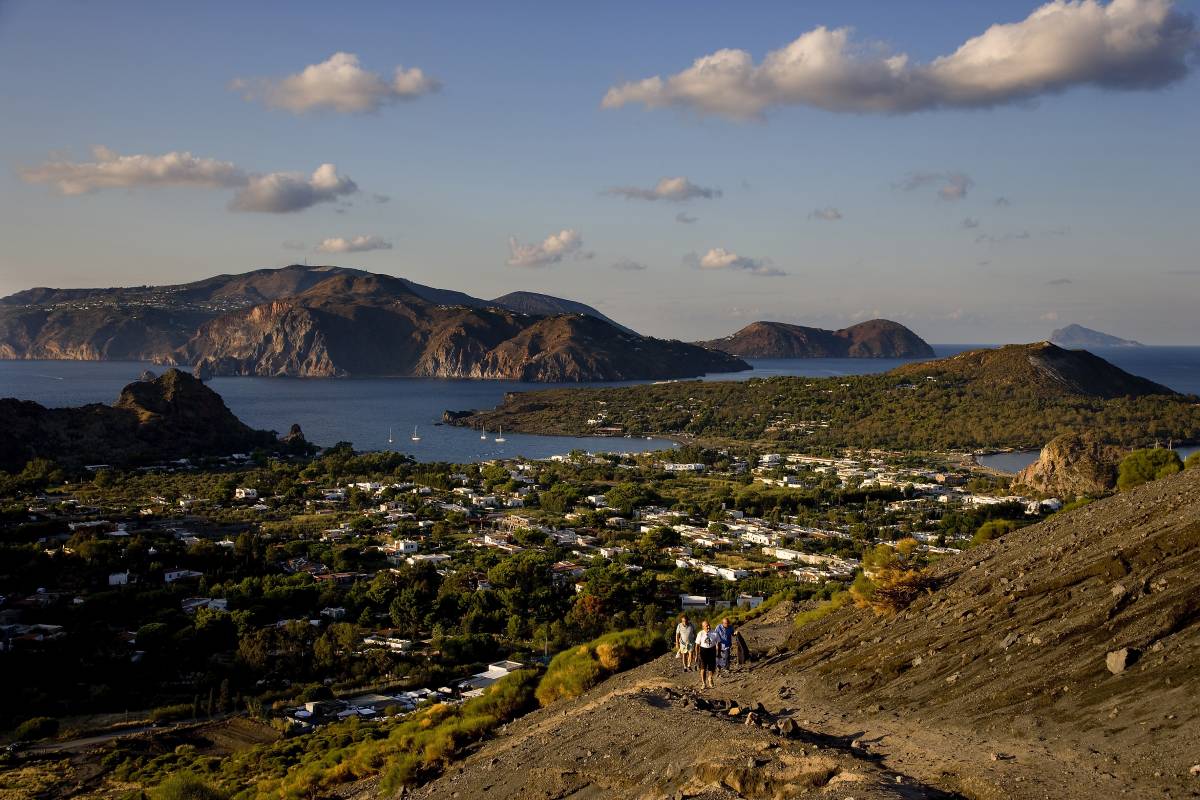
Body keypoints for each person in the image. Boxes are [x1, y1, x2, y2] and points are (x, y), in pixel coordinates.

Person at [695, 619, 718, 689]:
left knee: (712, 668)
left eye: (709, 625)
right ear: (703, 627)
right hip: (703, 651)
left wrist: (718, 652)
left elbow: (718, 643)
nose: (708, 627)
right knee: (703, 668)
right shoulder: (700, 633)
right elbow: (697, 645)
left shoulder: (714, 633)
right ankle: (704, 683)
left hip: (712, 650)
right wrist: (696, 655)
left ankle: (710, 678)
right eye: (706, 626)